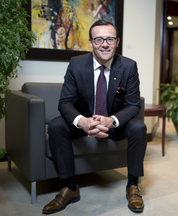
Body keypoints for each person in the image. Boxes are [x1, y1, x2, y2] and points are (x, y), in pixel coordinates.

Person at [42, 19, 147, 214]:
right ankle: (70, 187)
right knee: (57, 126)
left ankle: (133, 185)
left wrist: (112, 120)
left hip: (115, 124)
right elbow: (64, 102)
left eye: (109, 39)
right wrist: (82, 121)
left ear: (117, 41)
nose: (104, 44)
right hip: (84, 122)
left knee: (139, 127)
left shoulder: (129, 66)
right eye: (99, 39)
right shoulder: (76, 64)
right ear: (90, 43)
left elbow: (133, 105)